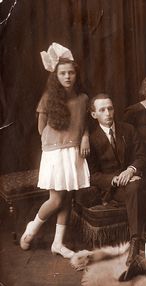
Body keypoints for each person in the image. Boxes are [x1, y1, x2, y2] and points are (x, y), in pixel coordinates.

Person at [20, 43, 90, 258]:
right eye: (63, 73)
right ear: (56, 76)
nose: (68, 77)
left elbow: (84, 123)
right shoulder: (49, 98)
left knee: (67, 199)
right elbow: (41, 127)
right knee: (56, 199)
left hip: (74, 151)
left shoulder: (83, 99)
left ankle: (58, 243)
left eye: (71, 73)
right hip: (56, 153)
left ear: (76, 74)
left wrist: (85, 137)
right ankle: (31, 229)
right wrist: (54, 143)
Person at [87, 94, 146, 266]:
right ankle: (137, 242)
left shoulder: (128, 129)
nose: (108, 113)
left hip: (135, 179)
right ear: (94, 115)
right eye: (102, 110)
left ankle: (135, 243)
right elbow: (93, 175)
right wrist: (114, 179)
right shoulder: (91, 139)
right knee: (135, 187)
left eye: (110, 108)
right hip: (113, 189)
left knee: (135, 185)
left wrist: (130, 170)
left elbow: (142, 156)